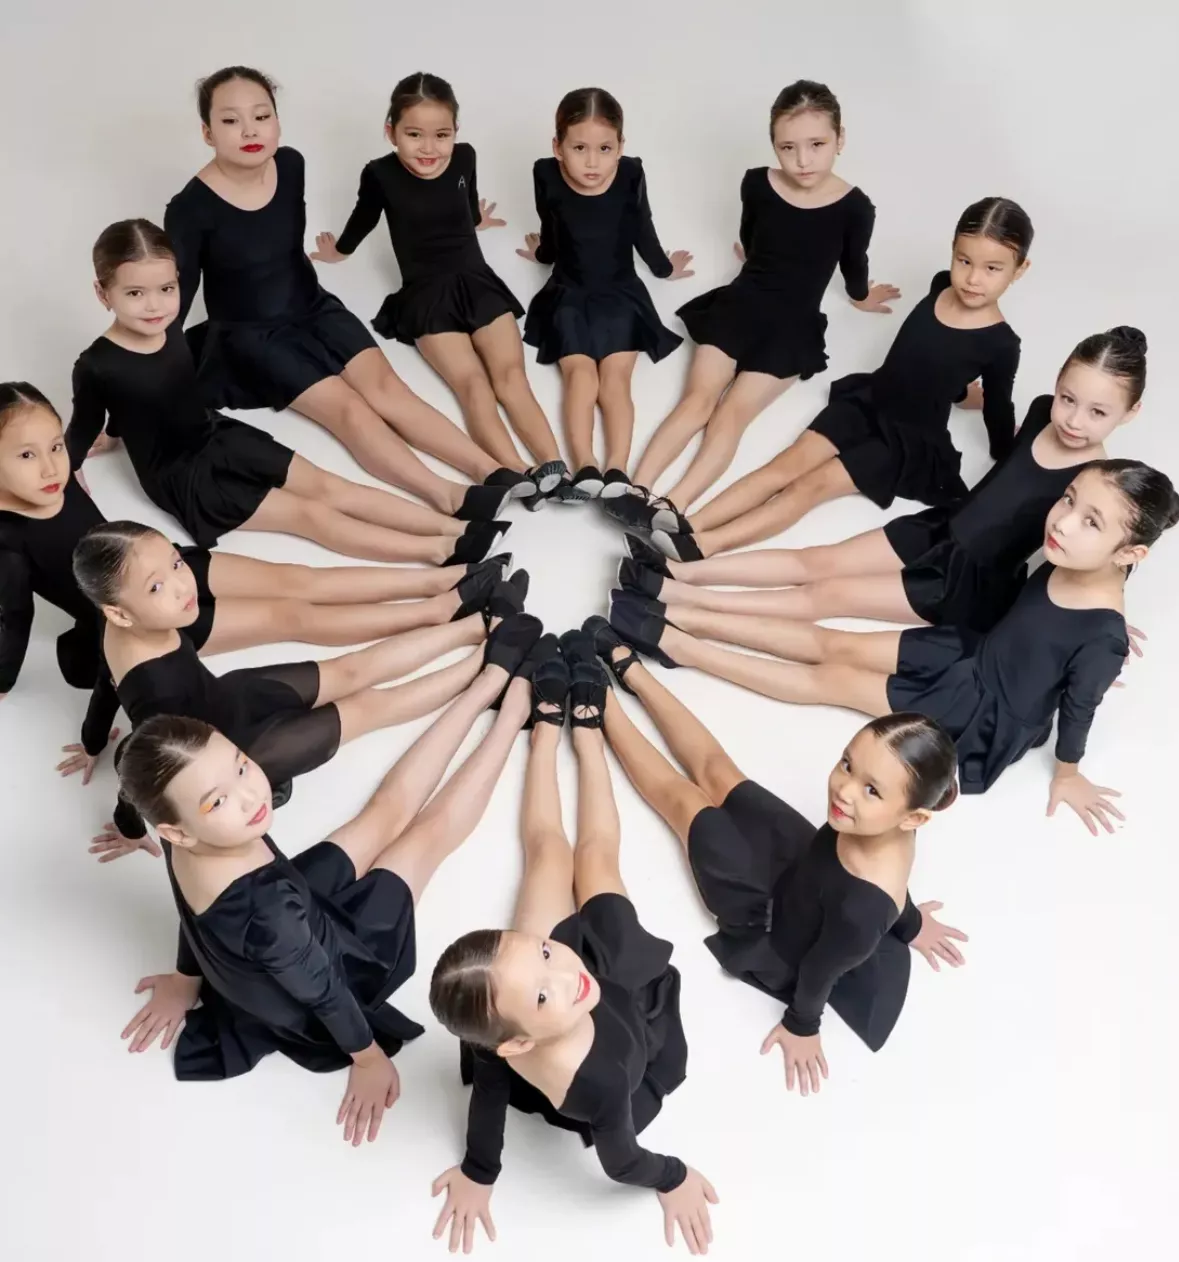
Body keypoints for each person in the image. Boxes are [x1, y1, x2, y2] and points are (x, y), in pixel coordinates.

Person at [114, 615, 542, 1142]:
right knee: (425, 837)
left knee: (382, 814)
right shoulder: (270, 915)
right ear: (175, 832)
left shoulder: (191, 839)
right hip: (330, 957)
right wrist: (368, 1059)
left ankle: (485, 684)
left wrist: (186, 980)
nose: (251, 796)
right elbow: (327, 993)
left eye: (241, 765)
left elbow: (193, 915)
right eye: (218, 801)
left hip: (291, 899)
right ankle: (510, 715)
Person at [607, 461, 1179, 830]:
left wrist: (1069, 770)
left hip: (980, 712)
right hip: (965, 653)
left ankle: (681, 645)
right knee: (833, 642)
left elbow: (1080, 708)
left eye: (1091, 522)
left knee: (831, 678)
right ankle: (684, 606)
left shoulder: (1103, 635)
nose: (1064, 523)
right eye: (1069, 499)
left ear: (1130, 554)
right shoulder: (1075, 559)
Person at [429, 632, 717, 1256]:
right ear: (513, 1043)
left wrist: (542, 967)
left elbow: (547, 983)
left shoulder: (549, 983)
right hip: (619, 996)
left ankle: (547, 733)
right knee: (598, 857)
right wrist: (675, 1177)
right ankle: (587, 738)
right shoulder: (600, 1083)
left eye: (536, 952)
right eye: (539, 991)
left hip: (570, 993)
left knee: (548, 853)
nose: (563, 972)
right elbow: (623, 1162)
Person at [584, 622, 966, 1088]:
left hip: (769, 919)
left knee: (686, 802)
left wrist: (802, 1025)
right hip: (799, 861)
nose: (844, 790)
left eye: (871, 790)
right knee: (719, 771)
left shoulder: (864, 909)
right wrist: (912, 925)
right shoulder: (889, 827)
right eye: (847, 764)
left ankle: (600, 704)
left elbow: (821, 969)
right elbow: (899, 888)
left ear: (914, 818)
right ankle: (634, 672)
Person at [0, 382, 511, 720]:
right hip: (148, 616)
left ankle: (441, 576)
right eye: (26, 455)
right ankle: (436, 611)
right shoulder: (8, 540)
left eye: (56, 446)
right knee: (292, 615)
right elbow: (14, 617)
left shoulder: (56, 480)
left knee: (299, 578)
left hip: (163, 564)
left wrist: (110, 438)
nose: (50, 467)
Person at [163, 66, 530, 512]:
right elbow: (177, 296)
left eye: (261, 116)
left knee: (388, 390)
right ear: (207, 132)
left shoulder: (290, 164)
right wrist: (147, 379)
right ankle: (449, 496)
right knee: (350, 410)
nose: (249, 131)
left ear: (276, 121)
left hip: (314, 307)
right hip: (252, 334)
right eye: (230, 120)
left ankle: (494, 470)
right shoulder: (189, 208)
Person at [621, 327, 1147, 633]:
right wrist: (955, 394)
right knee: (817, 559)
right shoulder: (1038, 412)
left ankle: (686, 605)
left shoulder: (1098, 480)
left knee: (828, 594)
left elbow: (1110, 554)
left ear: (1130, 414)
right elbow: (1010, 469)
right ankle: (684, 569)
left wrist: (1106, 618)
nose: (1074, 420)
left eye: (1097, 412)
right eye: (1068, 398)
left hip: (968, 581)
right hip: (943, 527)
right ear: (1056, 385)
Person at [64, 520, 530, 856]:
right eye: (156, 587)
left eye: (176, 563)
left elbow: (108, 682)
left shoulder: (120, 627)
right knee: (367, 707)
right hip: (235, 747)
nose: (184, 587)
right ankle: (484, 664)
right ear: (118, 612)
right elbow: (136, 769)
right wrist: (129, 827)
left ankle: (475, 624)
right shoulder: (156, 695)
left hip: (230, 696)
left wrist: (90, 739)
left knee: (350, 669)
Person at [72, 218, 515, 559]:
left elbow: (157, 391)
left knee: (330, 486)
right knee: (310, 515)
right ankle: (440, 550)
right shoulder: (95, 364)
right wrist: (75, 469)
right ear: (102, 293)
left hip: (217, 435)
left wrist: (118, 430)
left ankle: (456, 522)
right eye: (135, 294)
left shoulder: (172, 332)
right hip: (182, 477)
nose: (154, 305)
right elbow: (87, 423)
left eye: (166, 289)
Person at [640, 197, 1032, 560]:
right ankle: (685, 520)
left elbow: (998, 405)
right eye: (964, 261)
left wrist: (1005, 448)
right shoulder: (941, 285)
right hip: (868, 402)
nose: (972, 278)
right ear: (953, 251)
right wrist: (962, 394)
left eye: (992, 268)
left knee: (807, 488)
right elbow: (936, 358)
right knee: (781, 467)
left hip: (906, 440)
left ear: (1020, 270)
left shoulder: (1001, 344)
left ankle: (702, 546)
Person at [608, 80, 895, 523]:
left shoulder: (856, 207)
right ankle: (634, 488)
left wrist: (861, 296)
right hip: (741, 305)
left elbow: (854, 263)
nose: (802, 160)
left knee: (731, 415)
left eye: (817, 145)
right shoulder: (757, 183)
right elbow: (750, 232)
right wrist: (756, 256)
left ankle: (674, 504)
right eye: (788, 148)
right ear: (773, 144)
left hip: (792, 327)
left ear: (840, 139)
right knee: (697, 400)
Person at [312, 71, 565, 499]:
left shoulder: (465, 157)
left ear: (455, 132)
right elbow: (363, 219)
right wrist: (339, 250)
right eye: (414, 135)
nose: (429, 148)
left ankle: (555, 466)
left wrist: (477, 218)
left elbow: (467, 198)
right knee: (472, 384)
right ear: (391, 132)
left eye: (441, 135)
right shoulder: (380, 174)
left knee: (510, 376)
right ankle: (519, 473)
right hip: (427, 296)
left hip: (477, 283)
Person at [515, 87, 693, 500]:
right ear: (558, 147)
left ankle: (617, 468)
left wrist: (664, 268)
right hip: (569, 292)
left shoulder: (630, 174)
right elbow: (550, 224)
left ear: (621, 146)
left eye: (604, 148)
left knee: (615, 380)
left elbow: (642, 227)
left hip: (620, 293)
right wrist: (542, 254)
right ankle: (585, 465)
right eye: (579, 148)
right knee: (579, 377)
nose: (592, 162)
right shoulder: (546, 175)